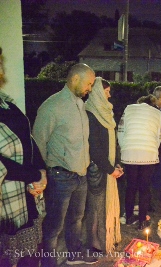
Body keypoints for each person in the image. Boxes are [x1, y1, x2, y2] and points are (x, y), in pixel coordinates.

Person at [33, 63, 97, 266]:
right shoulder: (52, 106)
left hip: (81, 175)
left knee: (76, 219)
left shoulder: (80, 104)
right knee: (54, 226)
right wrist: (41, 173)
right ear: (75, 79)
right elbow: (38, 141)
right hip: (60, 176)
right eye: (89, 83)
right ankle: (48, 263)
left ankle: (74, 255)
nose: (90, 88)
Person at [0, 46, 47, 267]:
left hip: (25, 198)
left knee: (30, 258)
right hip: (5, 205)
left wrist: (41, 170)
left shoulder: (6, 102)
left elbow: (27, 138)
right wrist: (33, 173)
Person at [84, 77, 123, 253]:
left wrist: (117, 164)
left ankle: (107, 237)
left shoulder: (105, 113)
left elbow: (113, 143)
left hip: (107, 167)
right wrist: (110, 169)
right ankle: (96, 242)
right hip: (97, 170)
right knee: (96, 207)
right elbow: (95, 147)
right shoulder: (91, 114)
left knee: (105, 205)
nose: (109, 95)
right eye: (106, 91)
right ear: (99, 93)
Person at [118, 95, 161, 230]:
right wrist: (153, 148)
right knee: (144, 188)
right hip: (148, 153)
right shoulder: (157, 113)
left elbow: (120, 131)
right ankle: (142, 220)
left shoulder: (129, 109)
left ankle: (129, 217)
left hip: (130, 151)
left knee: (130, 186)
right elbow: (159, 135)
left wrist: (123, 147)